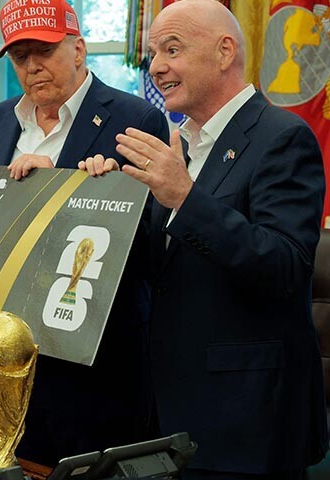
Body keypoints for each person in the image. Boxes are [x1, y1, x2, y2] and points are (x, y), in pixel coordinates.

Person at [83, 0, 328, 477]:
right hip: (169, 412)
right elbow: (162, 267)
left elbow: (285, 267)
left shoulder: (282, 136)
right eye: (153, 53)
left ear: (224, 52)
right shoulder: (180, 146)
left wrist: (184, 197)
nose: (156, 67)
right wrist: (106, 200)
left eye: (172, 50)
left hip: (247, 423)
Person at [0, 0, 169, 465]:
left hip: (96, 364)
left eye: (44, 51)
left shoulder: (136, 118)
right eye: (20, 57)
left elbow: (154, 248)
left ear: (78, 49)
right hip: (11, 358)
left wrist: (64, 187)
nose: (32, 66)